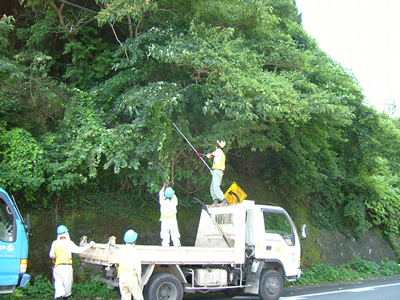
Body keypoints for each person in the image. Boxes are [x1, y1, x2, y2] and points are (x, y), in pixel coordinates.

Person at [49, 225, 95, 300]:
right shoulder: (68, 243)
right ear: (66, 233)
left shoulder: (54, 243)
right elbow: (79, 250)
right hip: (66, 268)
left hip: (57, 268)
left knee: (59, 290)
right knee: (67, 290)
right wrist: (89, 245)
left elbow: (51, 255)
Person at [117, 229, 143, 300]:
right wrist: (139, 278)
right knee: (138, 297)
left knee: (125, 297)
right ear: (134, 241)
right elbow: (137, 267)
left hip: (122, 277)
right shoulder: (134, 251)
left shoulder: (120, 250)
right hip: (131, 277)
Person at [206, 140, 228, 206]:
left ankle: (224, 200)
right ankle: (215, 202)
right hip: (217, 171)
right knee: (212, 187)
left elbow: (212, 154)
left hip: (218, 171)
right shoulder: (220, 152)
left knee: (215, 186)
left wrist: (209, 155)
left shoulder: (218, 151)